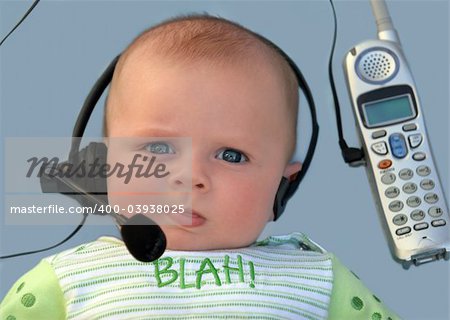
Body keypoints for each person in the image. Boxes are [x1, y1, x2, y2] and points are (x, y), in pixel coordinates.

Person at [0, 15, 400, 319]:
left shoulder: (320, 279)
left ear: (282, 186)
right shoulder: (67, 279)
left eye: (231, 155)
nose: (191, 176)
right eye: (158, 147)